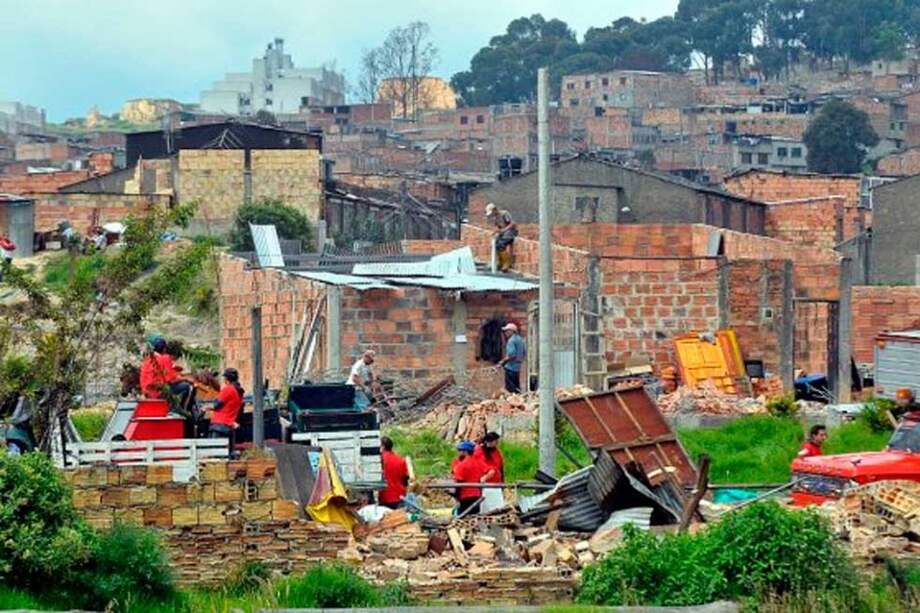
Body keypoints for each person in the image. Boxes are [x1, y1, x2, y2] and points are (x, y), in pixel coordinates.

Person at [138, 336, 196, 417]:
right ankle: (182, 411)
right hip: (158, 392)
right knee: (188, 387)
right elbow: (170, 380)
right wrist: (186, 378)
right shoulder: (164, 358)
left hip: (146, 391)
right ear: (164, 349)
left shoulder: (148, 359)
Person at [451, 440, 493, 515]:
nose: (458, 452)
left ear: (465, 452)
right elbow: (491, 471)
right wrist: (484, 477)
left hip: (465, 496)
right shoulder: (478, 462)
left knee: (462, 517)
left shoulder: (462, 465)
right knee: (474, 516)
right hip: (477, 495)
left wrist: (456, 496)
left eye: (460, 450)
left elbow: (458, 482)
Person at [209, 368, 244, 456]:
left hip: (219, 425)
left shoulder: (228, 389)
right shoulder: (239, 392)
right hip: (229, 426)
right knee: (228, 454)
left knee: (216, 454)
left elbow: (216, 405)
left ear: (226, 379)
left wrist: (205, 408)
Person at [485, 203, 517, 273]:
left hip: (510, 232)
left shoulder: (504, 214)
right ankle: (500, 262)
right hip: (503, 233)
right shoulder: (495, 218)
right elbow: (498, 227)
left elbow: (512, 224)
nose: (492, 215)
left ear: (495, 210)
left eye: (492, 213)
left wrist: (504, 230)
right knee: (496, 244)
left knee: (501, 244)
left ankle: (507, 263)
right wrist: (495, 232)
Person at [379, 436, 410, 509]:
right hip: (400, 497)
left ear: (382, 446)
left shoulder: (378, 460)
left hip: (385, 497)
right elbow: (405, 479)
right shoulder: (400, 460)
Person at [497, 323, 526, 393]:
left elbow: (511, 355)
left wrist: (502, 362)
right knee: (517, 389)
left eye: (507, 331)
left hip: (510, 368)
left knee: (510, 390)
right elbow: (524, 353)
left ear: (511, 331)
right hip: (517, 368)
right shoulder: (520, 339)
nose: (505, 333)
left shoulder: (511, 341)